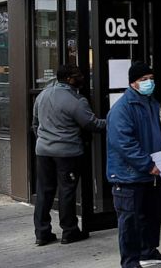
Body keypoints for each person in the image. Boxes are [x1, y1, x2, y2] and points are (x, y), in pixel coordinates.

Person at [107, 61, 161, 268]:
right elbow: (124, 143)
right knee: (130, 221)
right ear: (133, 83)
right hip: (129, 175)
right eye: (143, 79)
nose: (149, 82)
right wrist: (148, 165)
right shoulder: (122, 109)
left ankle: (148, 251)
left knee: (151, 215)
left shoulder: (152, 104)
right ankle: (130, 262)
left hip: (152, 172)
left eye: (151, 78)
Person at [31, 63, 106, 246]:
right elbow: (92, 124)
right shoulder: (76, 100)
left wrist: (44, 139)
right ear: (70, 79)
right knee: (67, 191)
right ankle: (69, 230)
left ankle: (42, 233)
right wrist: (115, 120)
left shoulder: (43, 95)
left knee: (44, 192)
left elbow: (34, 123)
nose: (82, 77)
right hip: (67, 153)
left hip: (43, 151)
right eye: (79, 75)